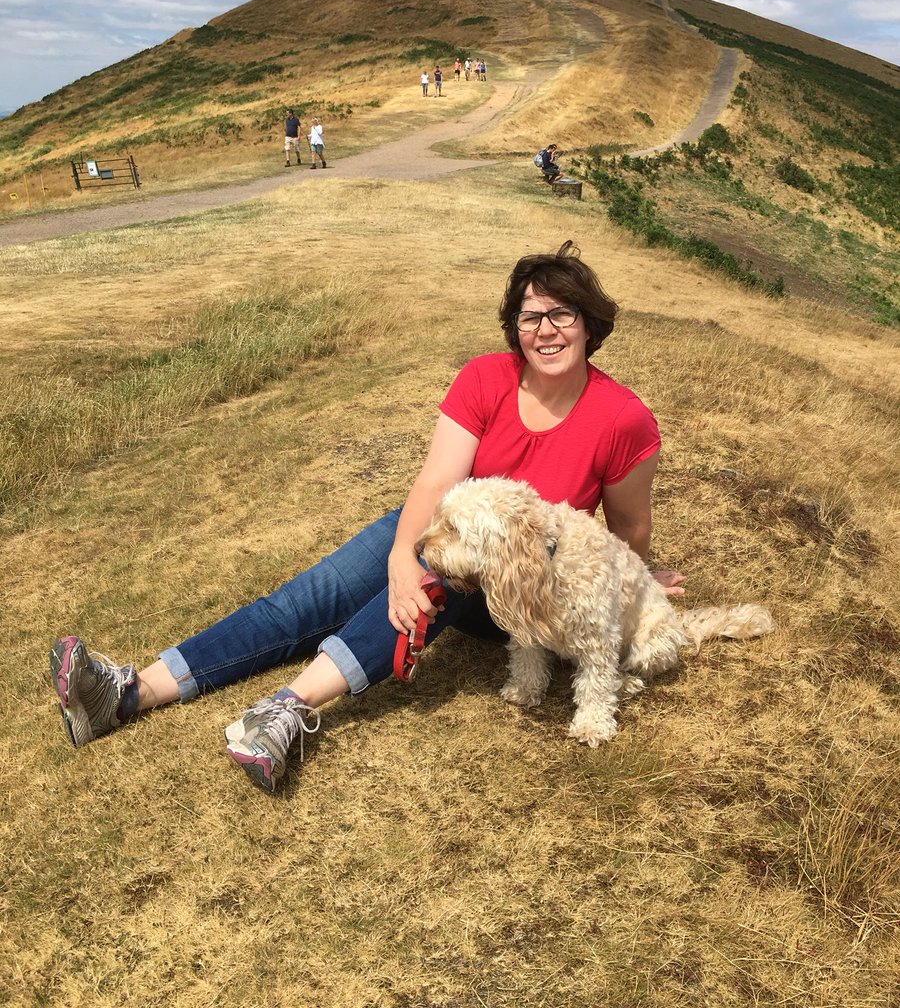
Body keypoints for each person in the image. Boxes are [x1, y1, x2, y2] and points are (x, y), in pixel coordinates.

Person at [49, 242, 684, 793]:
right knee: (310, 598)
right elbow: (437, 482)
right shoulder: (486, 379)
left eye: (561, 315)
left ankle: (283, 711)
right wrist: (401, 558)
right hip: (441, 532)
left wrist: (641, 584)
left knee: (438, 589)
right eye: (529, 317)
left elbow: (628, 529)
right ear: (513, 327)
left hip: (516, 581)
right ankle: (129, 693)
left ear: (589, 323)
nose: (545, 331)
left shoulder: (621, 417)